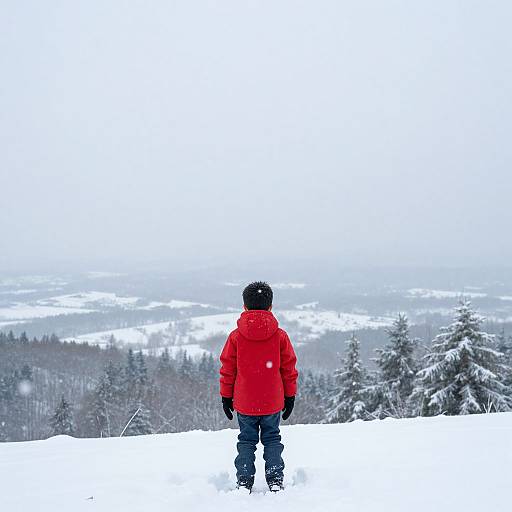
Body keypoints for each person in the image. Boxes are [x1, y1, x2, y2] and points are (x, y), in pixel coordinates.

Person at [219, 281, 298, 492]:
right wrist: (290, 396)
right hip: (272, 401)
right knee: (272, 439)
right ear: (270, 307)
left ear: (244, 307)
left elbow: (228, 370)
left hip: (244, 402)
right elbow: (289, 369)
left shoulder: (235, 337)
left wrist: (226, 396)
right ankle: (274, 480)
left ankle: (244, 481)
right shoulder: (280, 336)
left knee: (246, 441)